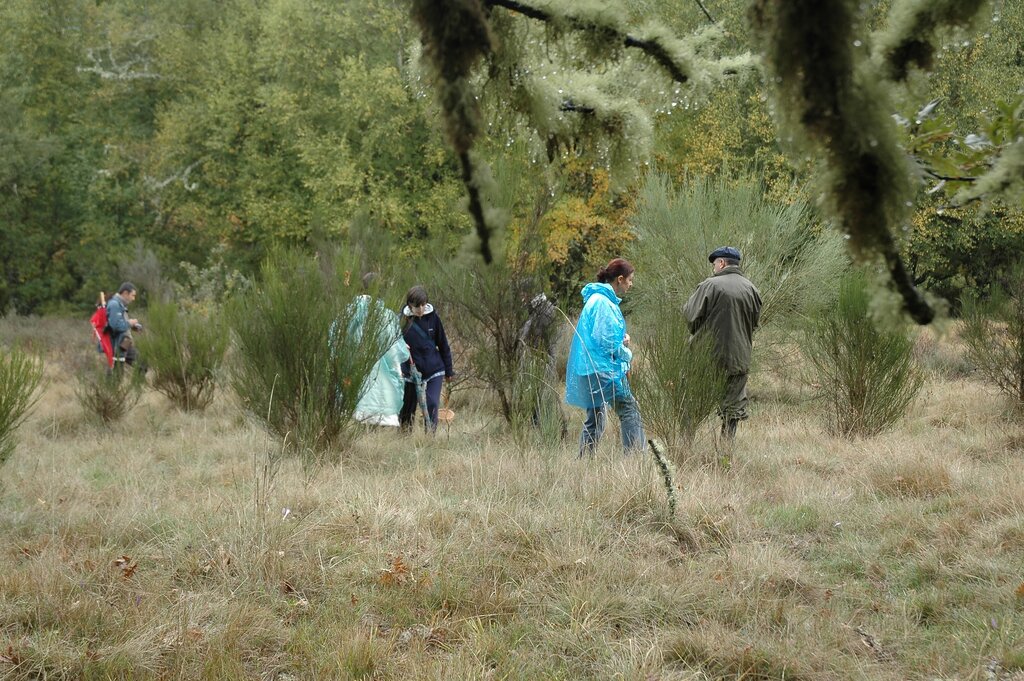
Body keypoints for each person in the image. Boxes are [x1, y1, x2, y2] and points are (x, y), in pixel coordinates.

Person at [565, 258, 644, 457]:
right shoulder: (602, 303)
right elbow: (606, 341)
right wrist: (625, 350)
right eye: (630, 279)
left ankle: (584, 461)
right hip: (601, 370)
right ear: (619, 279)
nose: (631, 284)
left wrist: (619, 339)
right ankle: (635, 459)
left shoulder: (597, 299)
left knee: (595, 417)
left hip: (588, 368)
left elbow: (601, 335)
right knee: (628, 409)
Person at [682, 246, 762, 441]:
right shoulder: (752, 289)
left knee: (691, 401)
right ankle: (726, 451)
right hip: (739, 357)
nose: (713, 268)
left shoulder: (710, 285)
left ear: (722, 263)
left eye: (714, 264)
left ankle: (685, 446)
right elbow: (754, 324)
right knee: (733, 407)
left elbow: (690, 316)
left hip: (706, 356)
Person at [345, 273, 410, 427]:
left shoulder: (350, 312)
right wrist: (397, 369)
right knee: (378, 405)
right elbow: (392, 347)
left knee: (359, 407)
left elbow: (343, 339)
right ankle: (374, 440)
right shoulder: (385, 315)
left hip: (356, 366)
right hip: (381, 369)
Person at [398, 285, 454, 433]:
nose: (421, 309)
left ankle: (430, 437)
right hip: (410, 370)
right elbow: (394, 345)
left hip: (434, 369)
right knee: (406, 408)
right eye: (417, 306)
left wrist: (449, 372)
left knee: (432, 403)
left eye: (423, 305)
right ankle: (404, 436)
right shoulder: (402, 320)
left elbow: (443, 344)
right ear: (410, 305)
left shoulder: (434, 318)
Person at [106, 282, 143, 367]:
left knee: (142, 364)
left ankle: (137, 380)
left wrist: (132, 325)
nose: (133, 299)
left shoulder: (120, 304)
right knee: (116, 373)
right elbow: (115, 326)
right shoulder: (114, 304)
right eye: (132, 295)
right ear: (125, 293)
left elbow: (120, 323)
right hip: (117, 344)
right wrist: (130, 323)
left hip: (124, 343)